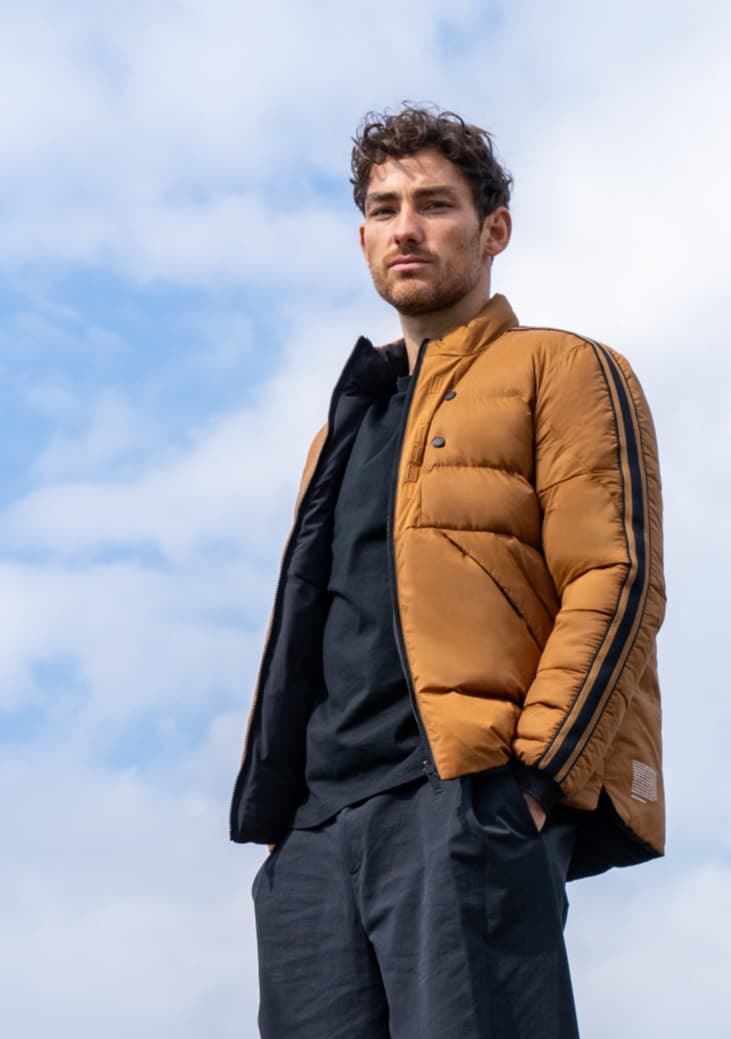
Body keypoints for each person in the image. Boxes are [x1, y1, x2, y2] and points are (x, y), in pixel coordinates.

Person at [230, 104, 666, 1039]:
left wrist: (535, 784)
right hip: (313, 835)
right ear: (361, 238)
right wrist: (282, 822)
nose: (407, 227)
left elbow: (616, 577)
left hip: (461, 802)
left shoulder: (563, 368)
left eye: (434, 203)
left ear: (492, 228)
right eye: (384, 208)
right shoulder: (341, 427)